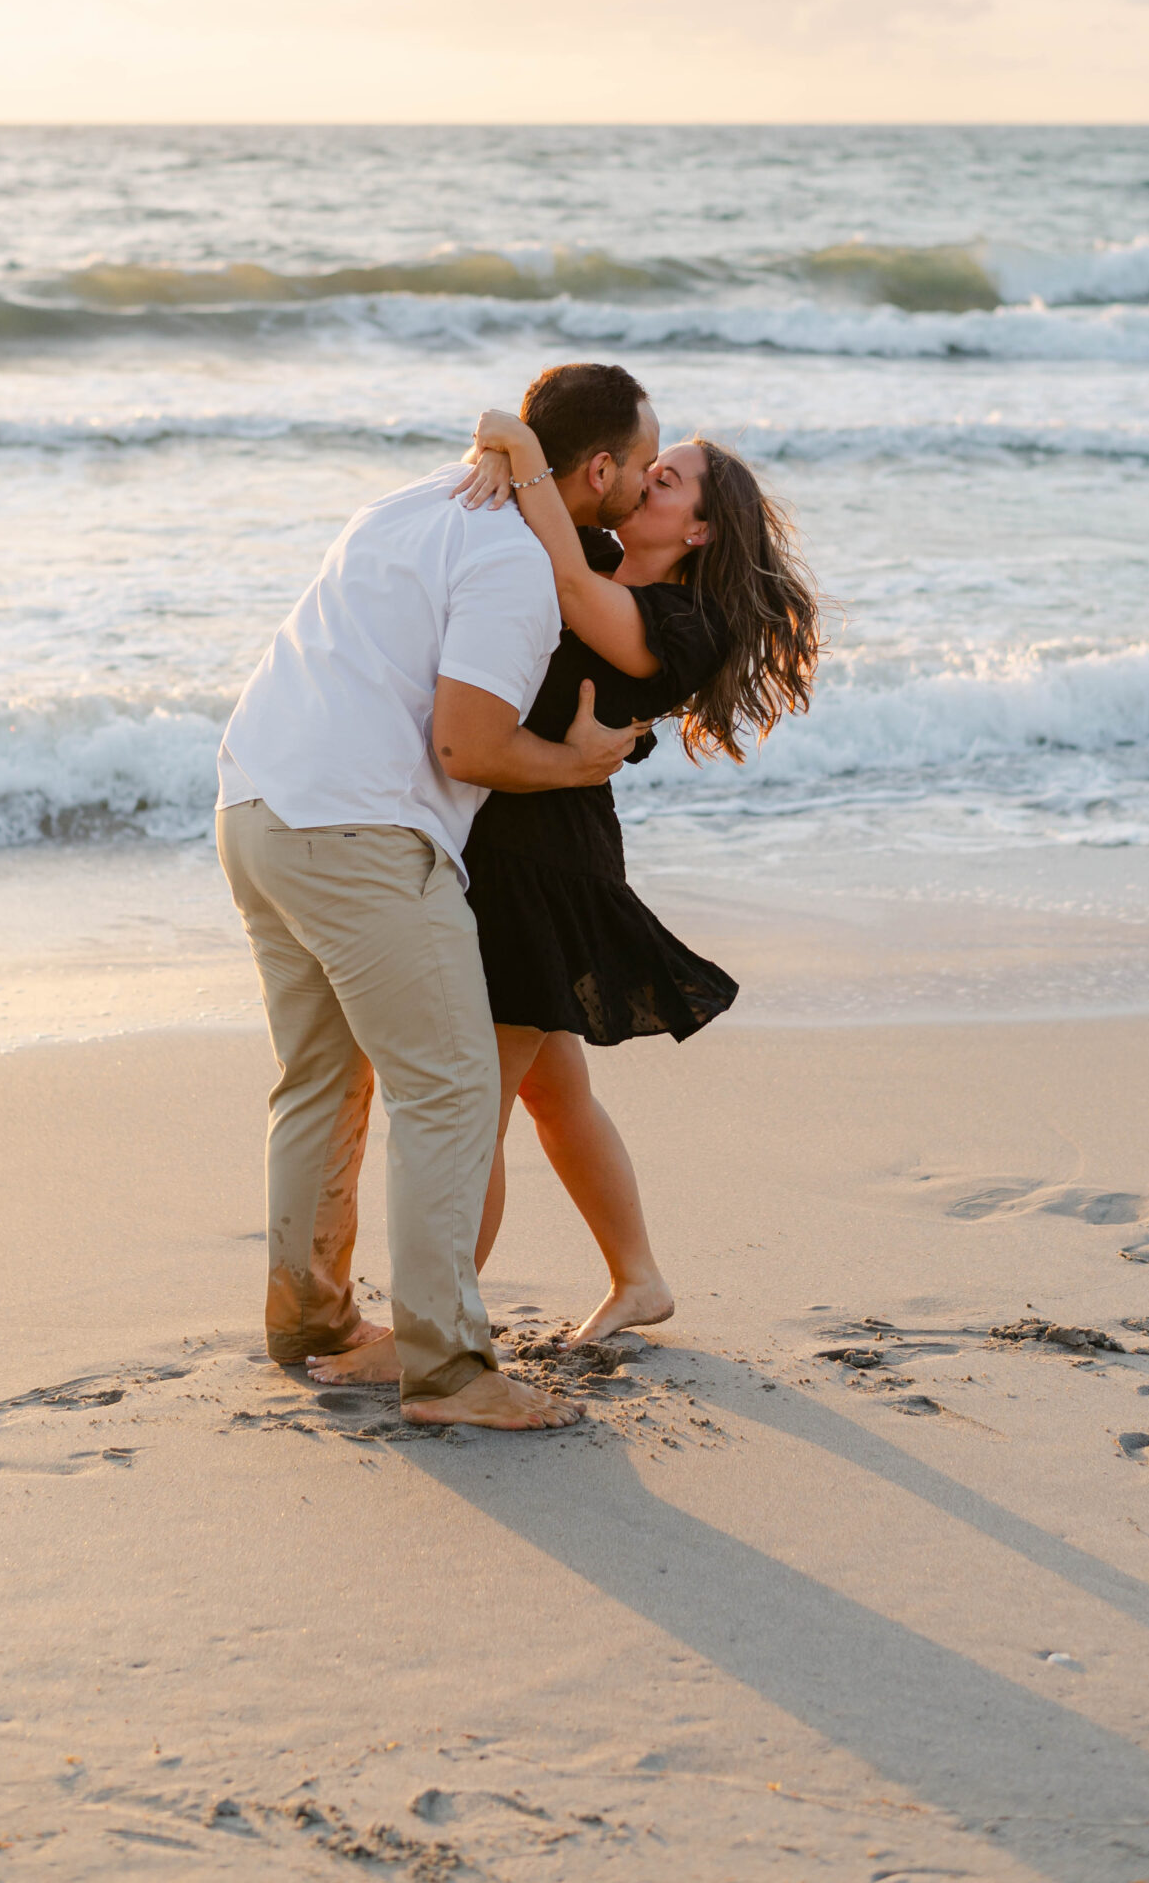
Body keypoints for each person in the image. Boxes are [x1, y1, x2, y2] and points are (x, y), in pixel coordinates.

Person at [213, 363, 660, 1430]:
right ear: (594, 468)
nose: (645, 488)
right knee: (450, 1088)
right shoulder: (510, 557)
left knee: (322, 1080)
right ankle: (450, 1372)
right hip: (359, 833)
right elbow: (465, 742)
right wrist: (581, 762)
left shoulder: (408, 504)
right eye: (642, 468)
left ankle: (312, 1323)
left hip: (254, 805)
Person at [452, 383, 820, 1346]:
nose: (648, 480)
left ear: (698, 533)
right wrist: (512, 455)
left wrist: (523, 450)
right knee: (551, 1092)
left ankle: (441, 1327)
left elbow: (574, 589)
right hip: (517, 837)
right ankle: (639, 1278)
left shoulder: (677, 625)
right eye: (653, 468)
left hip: (546, 863)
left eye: (669, 481)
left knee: (474, 1109)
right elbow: (556, 537)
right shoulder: (607, 552)